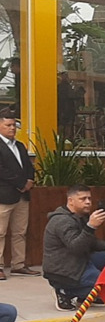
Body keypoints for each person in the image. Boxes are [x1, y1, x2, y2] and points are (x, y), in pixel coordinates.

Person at [42, 184, 105, 310]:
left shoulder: (80, 217)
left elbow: (90, 242)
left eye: (89, 198)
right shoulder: (62, 221)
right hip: (63, 270)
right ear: (70, 201)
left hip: (77, 261)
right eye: (83, 199)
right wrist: (90, 226)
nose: (88, 202)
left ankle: (85, 295)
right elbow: (76, 247)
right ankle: (64, 292)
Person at [0, 109, 38, 279]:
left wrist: (30, 180)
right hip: (5, 195)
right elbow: (2, 171)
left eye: (14, 125)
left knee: (20, 232)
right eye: (8, 125)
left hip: (23, 196)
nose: (12, 128)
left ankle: (18, 265)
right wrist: (20, 183)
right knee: (0, 233)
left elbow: (29, 166)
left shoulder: (20, 146)